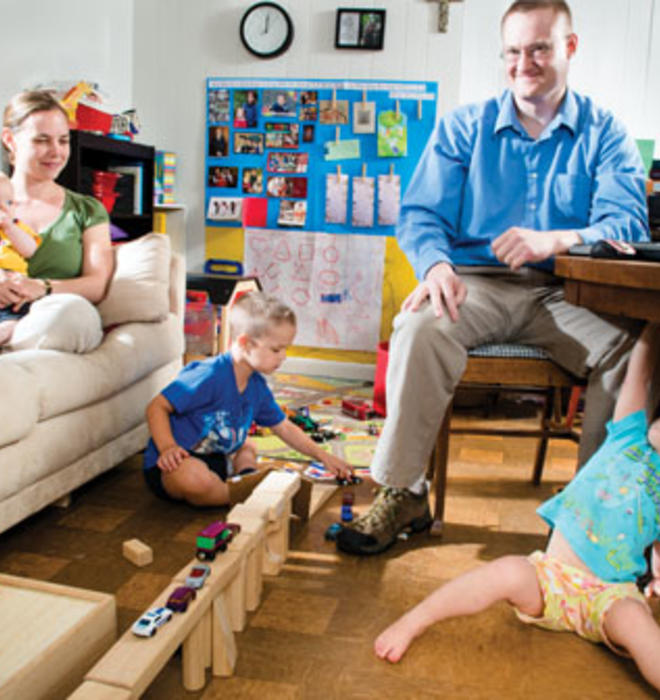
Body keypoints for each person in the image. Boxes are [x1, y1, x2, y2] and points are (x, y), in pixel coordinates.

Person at [337, 0, 650, 556]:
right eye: (513, 51)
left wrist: (558, 238)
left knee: (635, 353)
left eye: (539, 49)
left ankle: (590, 519)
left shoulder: (606, 134)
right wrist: (434, 265)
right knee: (418, 329)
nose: (523, 63)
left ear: (569, 48)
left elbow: (628, 222)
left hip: (567, 291)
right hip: (474, 284)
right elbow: (421, 214)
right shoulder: (463, 127)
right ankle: (404, 493)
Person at [374, 323, 660, 692]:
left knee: (638, 627)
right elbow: (639, 372)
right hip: (550, 576)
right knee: (505, 571)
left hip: (610, 595)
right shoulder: (628, 435)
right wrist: (651, 328)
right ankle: (414, 621)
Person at [143, 291, 353, 507]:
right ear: (246, 343)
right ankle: (245, 494)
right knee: (196, 481)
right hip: (176, 463)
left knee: (247, 446)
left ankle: (246, 476)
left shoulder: (257, 386)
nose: (283, 357)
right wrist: (168, 448)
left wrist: (323, 456)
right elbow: (156, 407)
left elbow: (285, 428)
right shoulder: (208, 375)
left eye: (285, 349)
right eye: (276, 349)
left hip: (219, 458)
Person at [0, 90, 113, 349]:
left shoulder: (86, 210)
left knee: (70, 315)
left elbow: (97, 284)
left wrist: (43, 288)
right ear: (9, 140)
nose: (56, 152)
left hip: (56, 318)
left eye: (63, 141)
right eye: (41, 140)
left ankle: (13, 343)